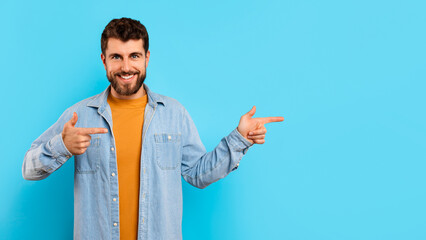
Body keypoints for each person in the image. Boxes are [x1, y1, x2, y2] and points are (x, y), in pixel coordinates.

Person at [22, 17, 284, 240]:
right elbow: (29, 169)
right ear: (104, 60)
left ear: (146, 58)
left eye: (134, 56)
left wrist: (239, 139)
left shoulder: (173, 113)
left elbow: (198, 174)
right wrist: (62, 146)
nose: (126, 67)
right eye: (117, 57)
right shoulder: (79, 116)